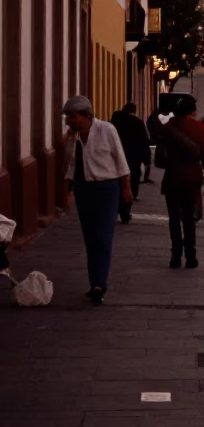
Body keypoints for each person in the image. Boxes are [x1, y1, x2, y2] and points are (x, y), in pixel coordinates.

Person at [62, 95, 132, 304]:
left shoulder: (106, 130)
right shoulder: (72, 137)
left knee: (103, 236)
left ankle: (100, 284)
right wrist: (66, 190)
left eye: (72, 117)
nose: (69, 121)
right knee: (90, 237)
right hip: (83, 189)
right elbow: (69, 165)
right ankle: (94, 282)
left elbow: (120, 159)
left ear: (85, 115)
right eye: (67, 117)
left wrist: (126, 189)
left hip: (106, 189)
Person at [158, 95, 204, 269]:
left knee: (174, 218)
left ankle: (175, 255)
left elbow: (160, 158)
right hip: (191, 179)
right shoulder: (199, 128)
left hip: (172, 178)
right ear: (193, 111)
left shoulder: (167, 128)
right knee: (189, 219)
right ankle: (191, 256)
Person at [109, 102, 151, 224]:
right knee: (131, 182)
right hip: (133, 157)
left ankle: (114, 209)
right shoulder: (137, 122)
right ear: (133, 111)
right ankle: (125, 211)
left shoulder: (113, 123)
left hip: (114, 158)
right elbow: (144, 140)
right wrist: (146, 158)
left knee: (116, 182)